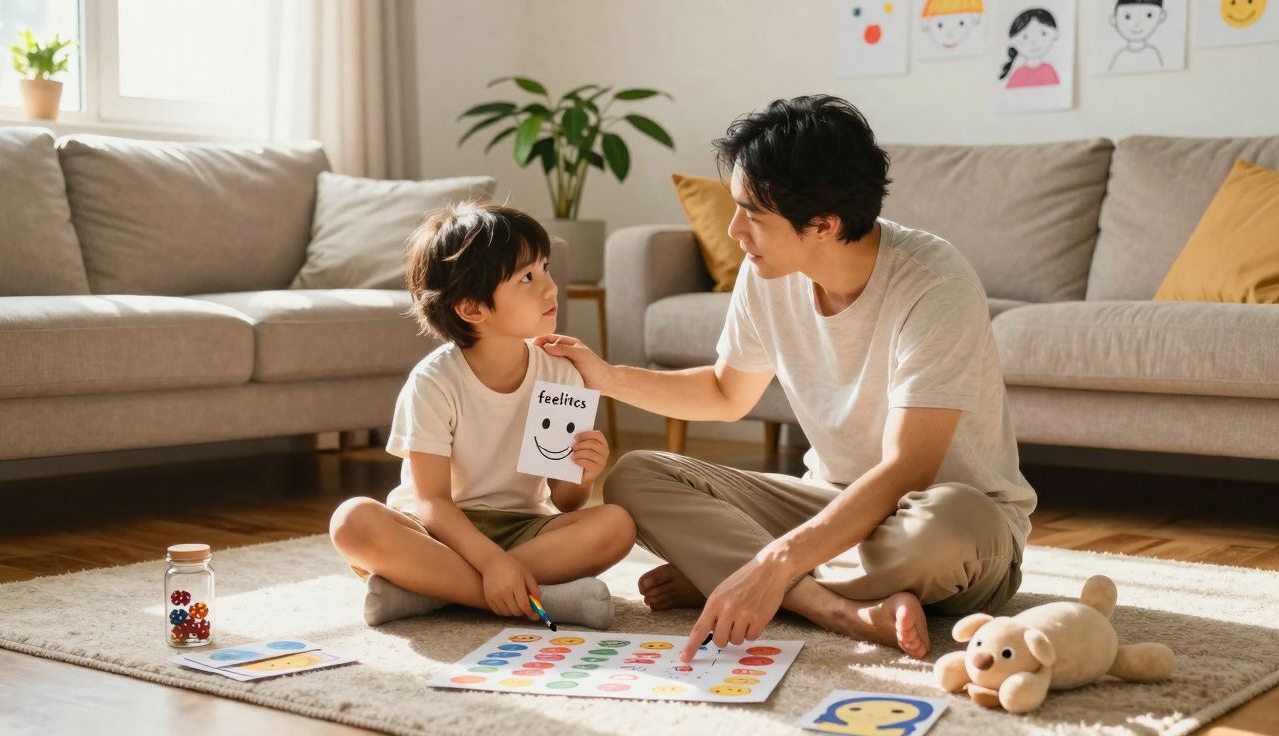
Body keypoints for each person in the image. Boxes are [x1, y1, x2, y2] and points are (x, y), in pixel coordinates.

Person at [538, 95, 1036, 662]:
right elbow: (726, 393)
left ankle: (742, 570)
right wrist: (604, 377)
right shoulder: (770, 272)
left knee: (947, 530)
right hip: (827, 503)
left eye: (752, 213)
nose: (733, 231)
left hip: (947, 525)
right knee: (636, 477)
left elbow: (907, 470)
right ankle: (833, 608)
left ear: (823, 224)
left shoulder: (934, 284)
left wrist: (769, 562)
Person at [330, 201, 635, 628]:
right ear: (473, 308)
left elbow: (565, 503)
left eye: (545, 268)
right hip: (435, 531)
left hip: (523, 528)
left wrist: (582, 475)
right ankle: (534, 598)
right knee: (352, 522)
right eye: (527, 277)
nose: (550, 287)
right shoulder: (434, 382)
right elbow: (432, 501)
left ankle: (430, 592)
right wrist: (491, 564)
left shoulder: (562, 374)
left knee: (616, 525)